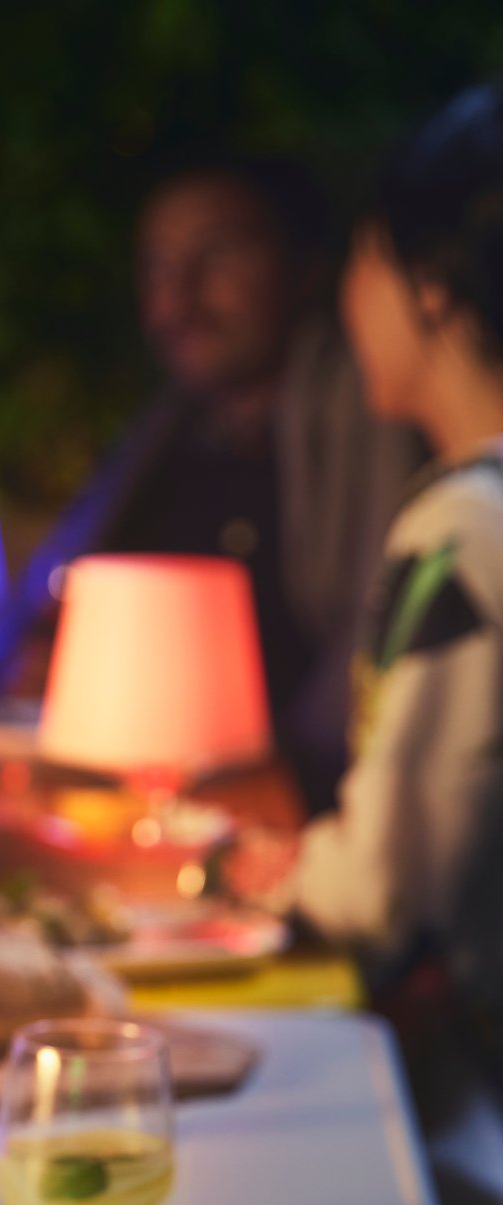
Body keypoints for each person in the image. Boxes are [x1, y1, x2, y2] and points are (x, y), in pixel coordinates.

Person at [0, 156, 420, 810]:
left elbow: (373, 655)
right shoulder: (156, 447)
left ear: (304, 271)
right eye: (156, 267)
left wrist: (285, 787)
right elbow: (45, 620)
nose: (178, 296)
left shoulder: (368, 431)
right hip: (120, 809)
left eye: (217, 257)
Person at [226, 84, 503, 1035]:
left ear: (430, 287)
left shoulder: (462, 535)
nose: (349, 300)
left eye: (363, 258)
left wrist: (264, 873)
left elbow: (391, 889)